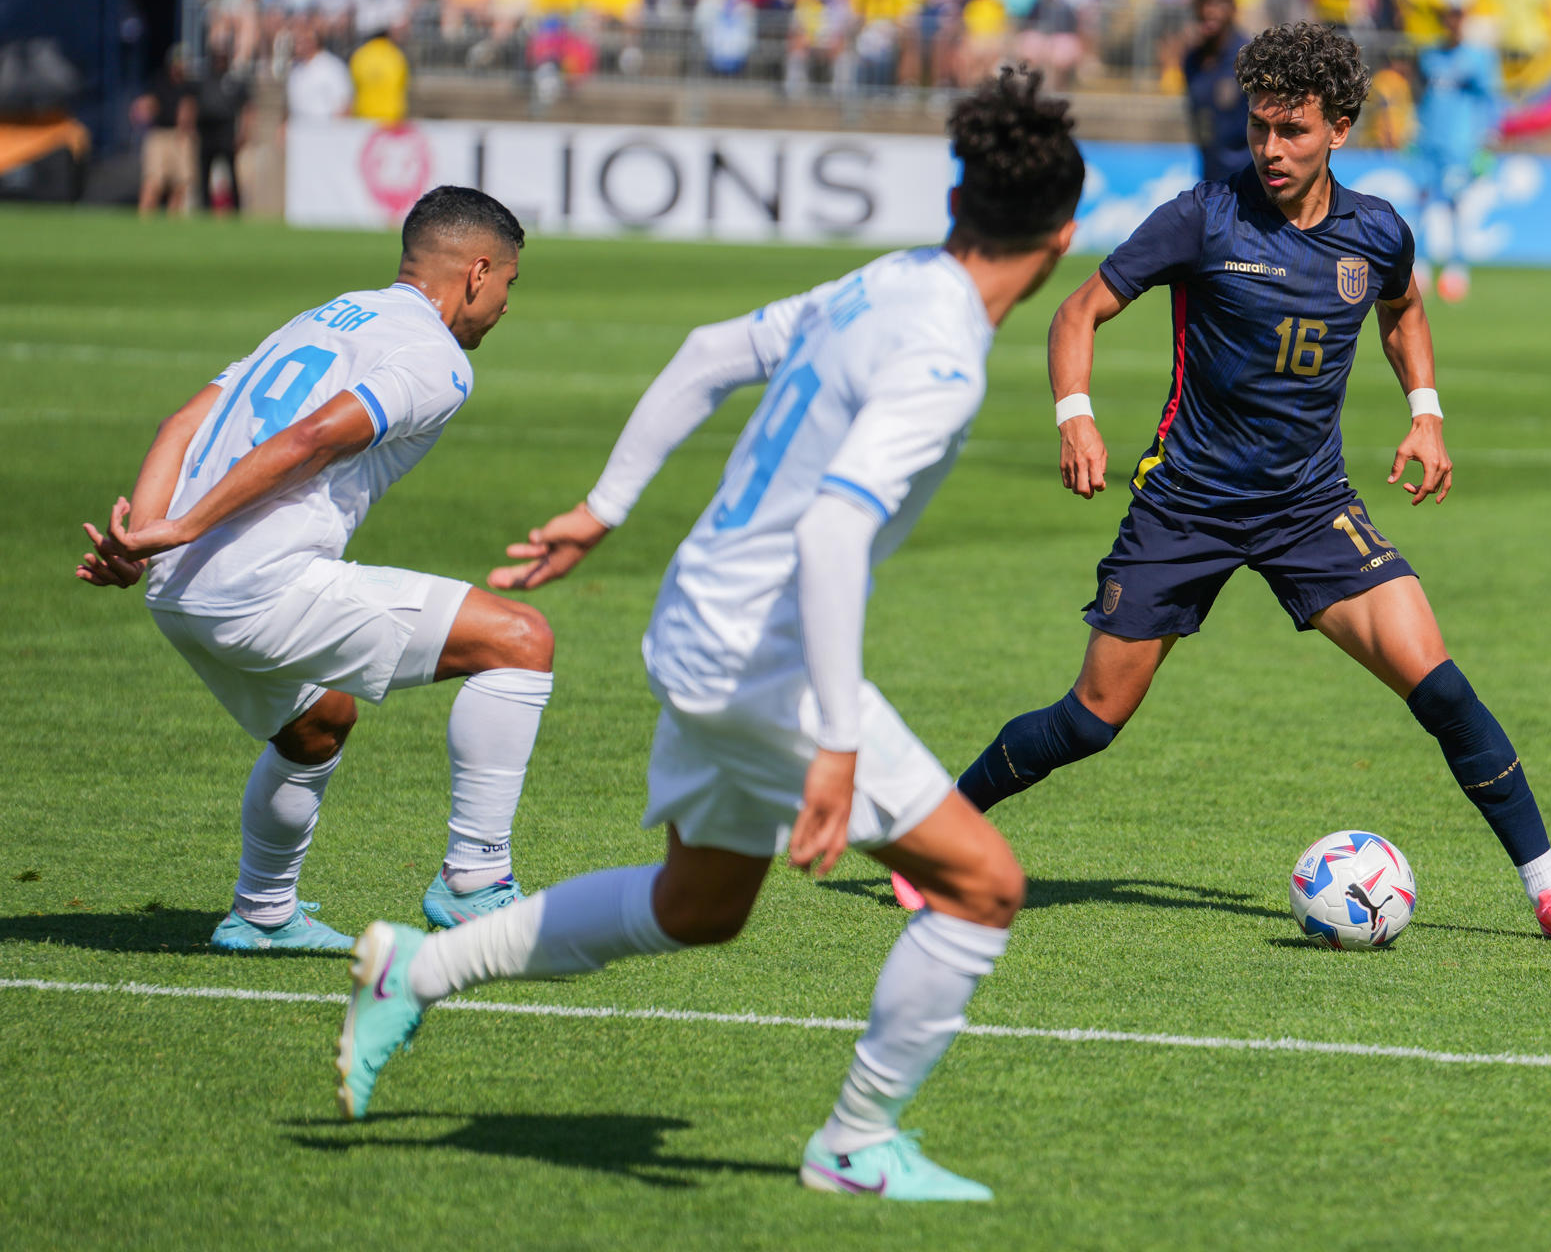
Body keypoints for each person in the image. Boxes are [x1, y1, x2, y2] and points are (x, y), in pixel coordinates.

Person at [332, 70, 1086, 1202]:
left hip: (695, 620)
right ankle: (854, 1141)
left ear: (955, 201)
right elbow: (834, 531)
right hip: (760, 660)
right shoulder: (944, 355)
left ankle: (416, 965)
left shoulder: (885, 282)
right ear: (1066, 236)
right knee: (983, 884)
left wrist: (608, 504)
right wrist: (836, 740)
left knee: (701, 905)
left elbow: (706, 350)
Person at [934, 24, 1551, 948]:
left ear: (1339, 129)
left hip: (1310, 507)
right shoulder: (1203, 217)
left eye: (1293, 132)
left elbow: (1403, 307)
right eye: (1261, 129)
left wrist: (1425, 411)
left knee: (1444, 689)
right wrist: (1075, 413)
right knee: (1090, 719)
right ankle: (937, 837)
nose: (1270, 149)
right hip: (1184, 507)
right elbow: (1080, 308)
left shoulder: (1377, 230)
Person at [76, 187, 553, 950]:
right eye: (509, 285)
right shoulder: (434, 357)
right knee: (520, 641)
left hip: (180, 594)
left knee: (317, 722)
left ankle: (263, 915)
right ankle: (475, 880)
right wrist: (186, 525)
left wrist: (147, 536)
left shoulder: (334, 314)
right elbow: (317, 437)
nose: (504, 305)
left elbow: (183, 421)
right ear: (477, 272)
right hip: (258, 585)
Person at [1413, 3, 1501, 301]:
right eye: (1448, 19)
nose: (1453, 25)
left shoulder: (1478, 59)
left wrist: (1486, 137)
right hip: (1429, 143)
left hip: (1459, 144)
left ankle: (1456, 268)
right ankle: (1420, 266)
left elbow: (1488, 100)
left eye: (1457, 19)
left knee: (1456, 204)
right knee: (1422, 202)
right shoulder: (1429, 57)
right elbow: (1420, 96)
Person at [1182, 0, 1250, 181]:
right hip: (1211, 178)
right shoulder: (1191, 60)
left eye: (1218, 2)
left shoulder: (1248, 57)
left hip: (1249, 183)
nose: (1209, 10)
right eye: (1204, 1)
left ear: (1233, 7)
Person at [133, 48, 196, 218]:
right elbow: (146, 105)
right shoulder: (159, 82)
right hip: (159, 135)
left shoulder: (189, 87)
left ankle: (173, 224)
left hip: (180, 137)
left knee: (181, 184)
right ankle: (144, 220)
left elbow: (190, 111)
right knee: (154, 181)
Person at [194, 44, 253, 214]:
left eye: (222, 57)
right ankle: (204, 209)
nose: (219, 61)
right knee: (204, 172)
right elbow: (192, 105)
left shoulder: (234, 81)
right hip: (206, 131)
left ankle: (236, 209)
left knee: (232, 172)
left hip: (226, 131)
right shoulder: (204, 80)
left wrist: (244, 131)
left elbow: (247, 108)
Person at [284, 22, 354, 123]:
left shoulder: (332, 67)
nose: (295, 46)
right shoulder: (295, 69)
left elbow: (345, 105)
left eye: (300, 41)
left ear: (312, 42)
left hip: (324, 133)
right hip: (299, 131)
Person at [349, 26, 410, 122]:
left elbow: (355, 83)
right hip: (391, 116)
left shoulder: (361, 55)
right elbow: (402, 84)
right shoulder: (396, 55)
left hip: (365, 114)